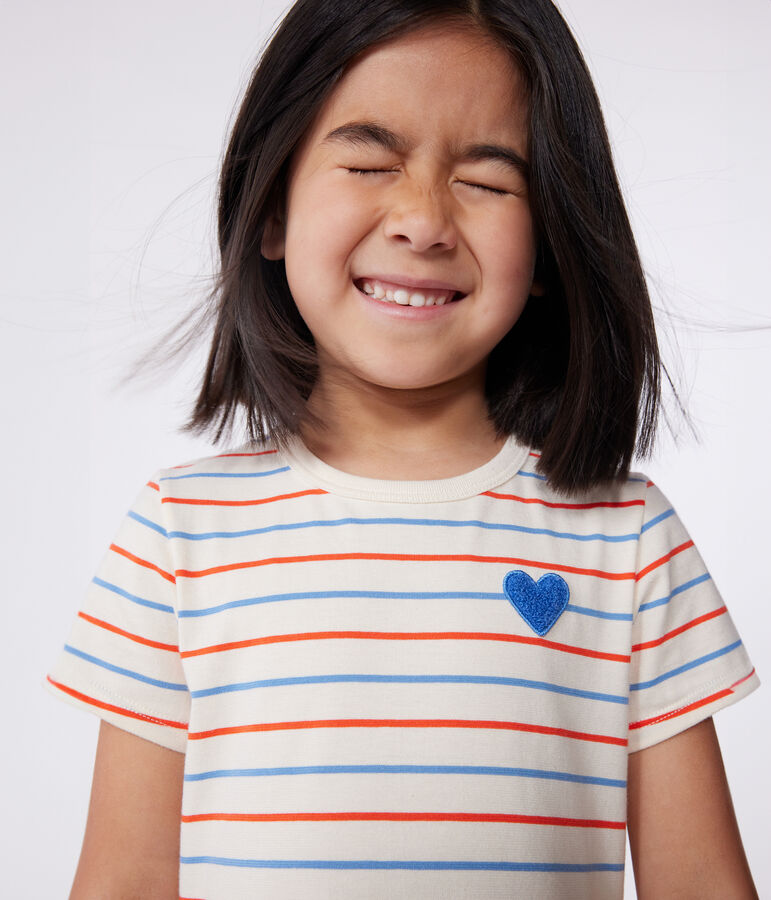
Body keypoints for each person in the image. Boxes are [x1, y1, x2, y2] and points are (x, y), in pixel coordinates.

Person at [47, 0, 760, 897]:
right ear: (271, 208)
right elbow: (123, 883)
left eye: (487, 181)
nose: (422, 221)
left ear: (550, 242)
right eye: (368, 164)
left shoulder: (627, 538)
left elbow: (698, 884)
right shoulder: (180, 532)